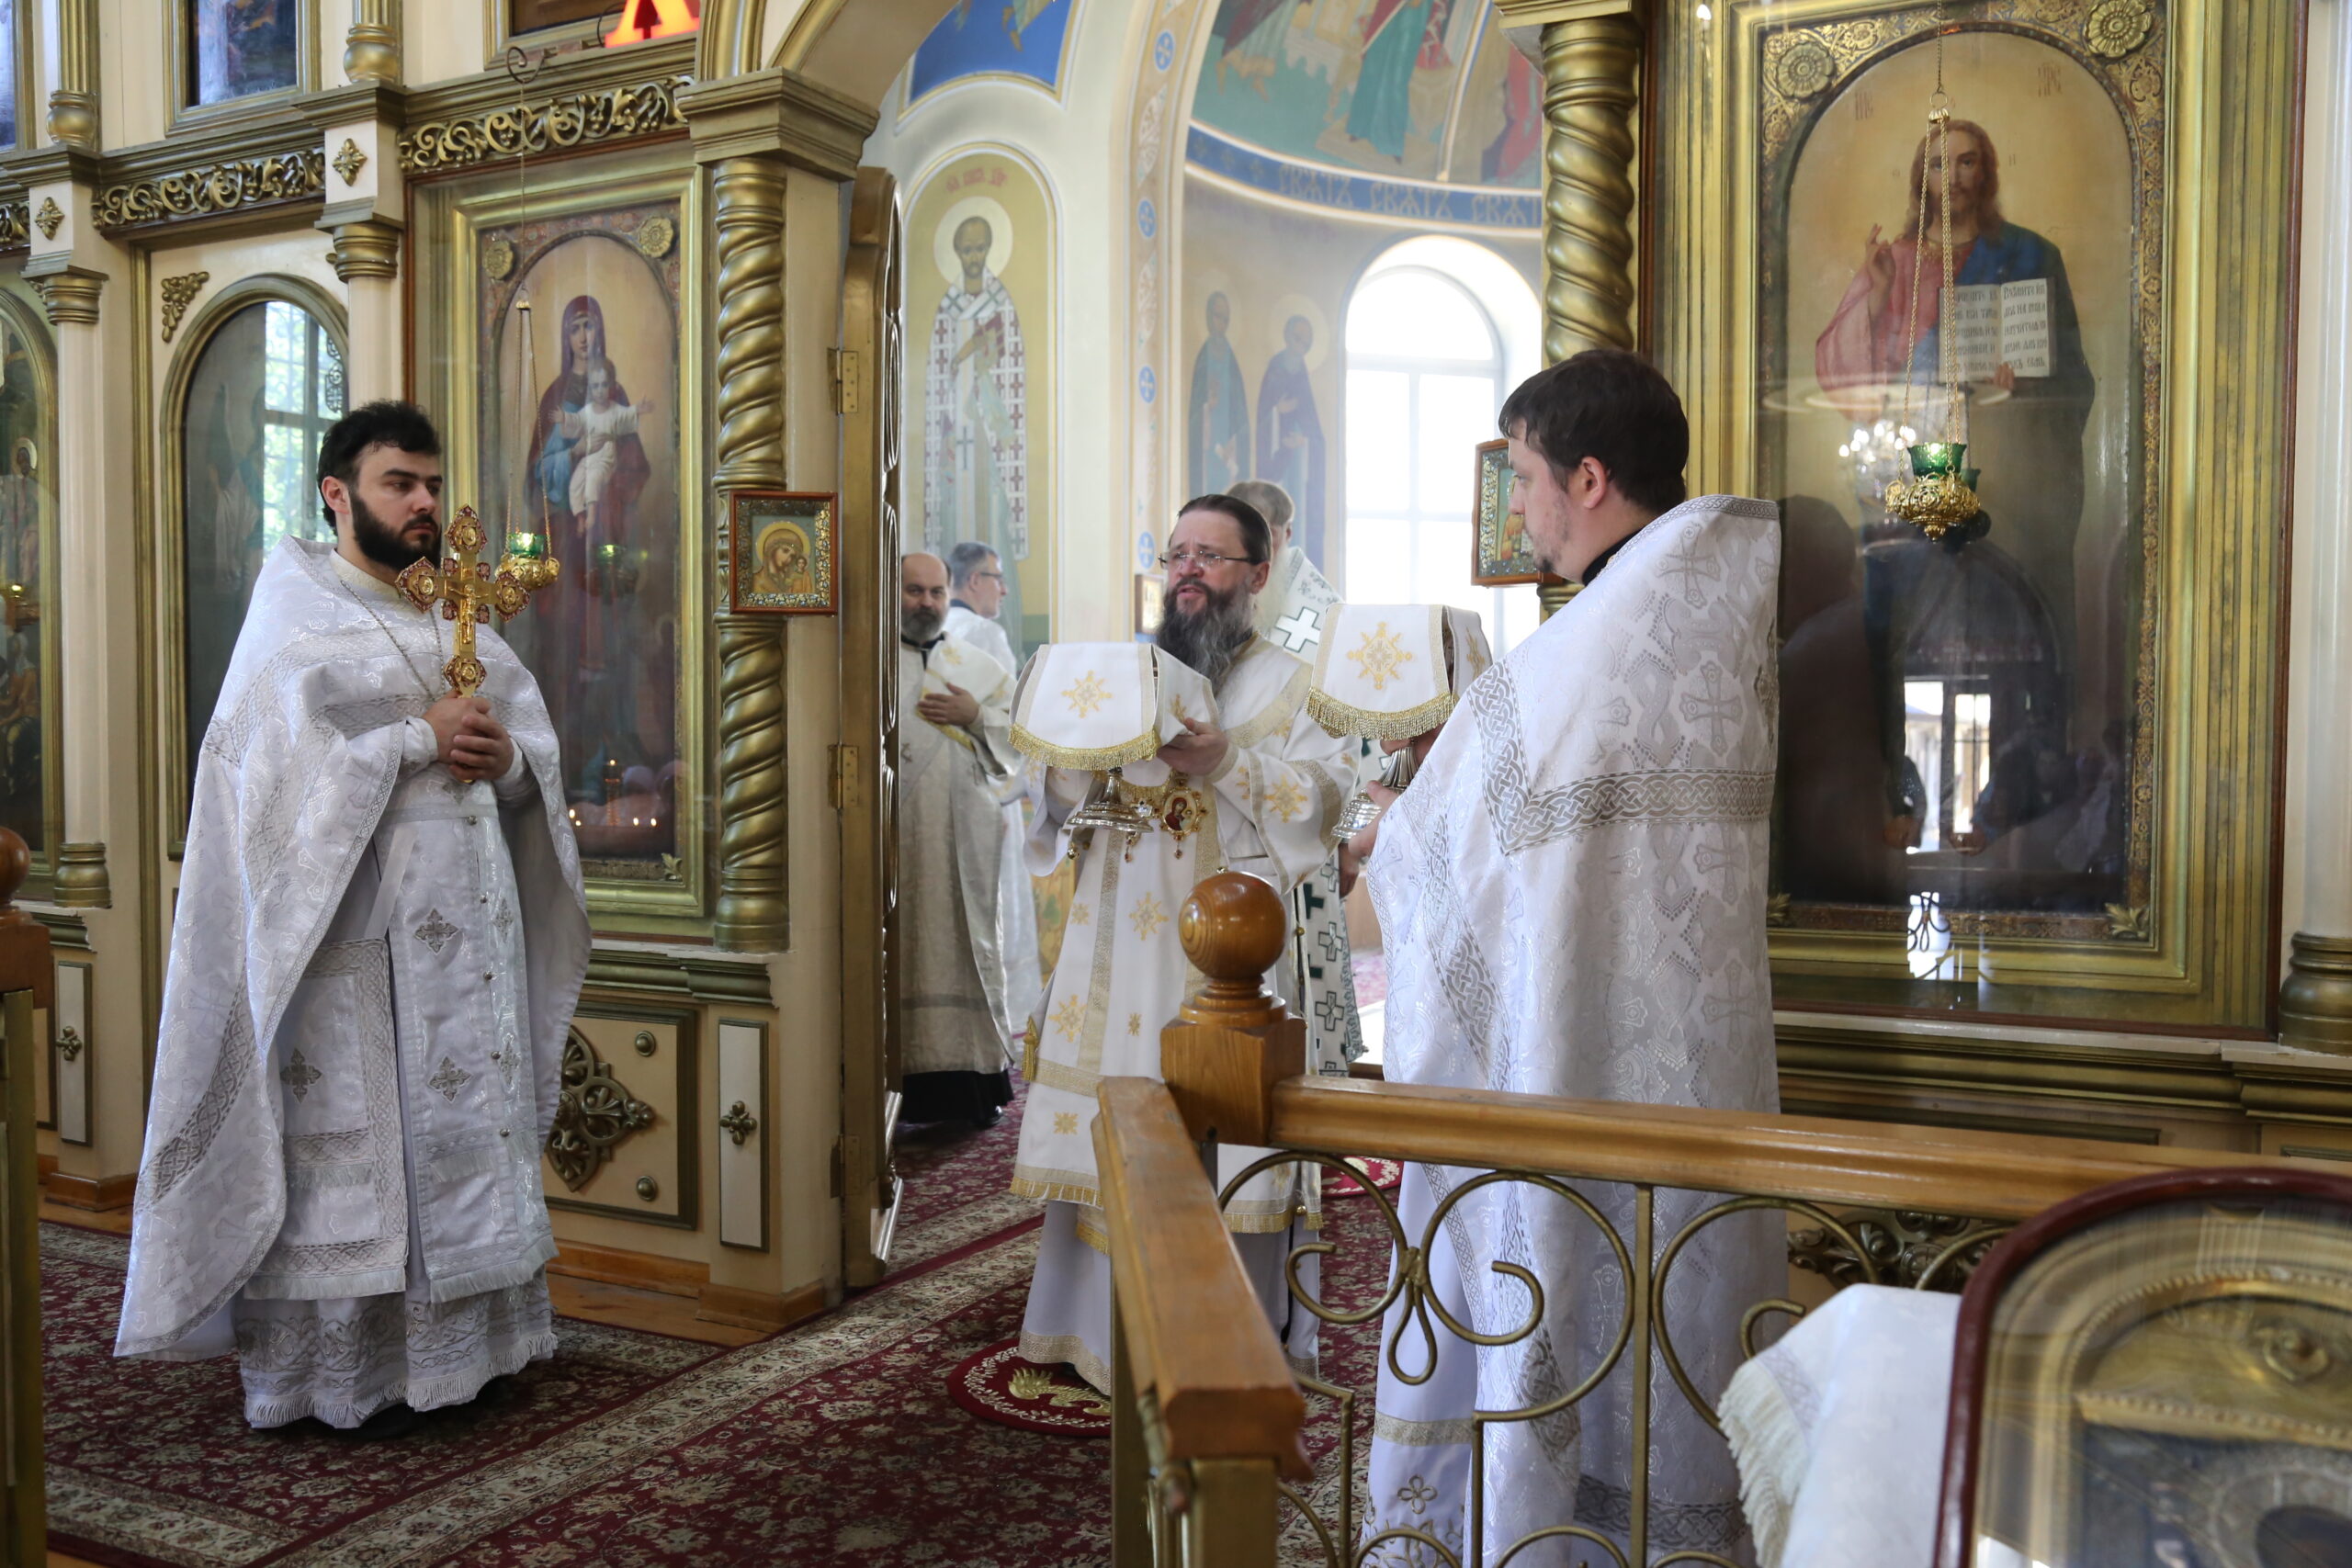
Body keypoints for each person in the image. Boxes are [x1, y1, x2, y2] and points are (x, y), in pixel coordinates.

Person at [1354, 349, 1781, 1562]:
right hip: (1691, 1065)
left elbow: (1442, 852)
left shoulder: (1599, 637)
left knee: (1555, 1275)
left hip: (1571, 1062)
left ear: (1588, 479)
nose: (1522, 509)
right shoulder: (1704, 606)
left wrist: (1393, 832)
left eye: (1526, 476)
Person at [115, 400, 592, 1438]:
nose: (424, 504)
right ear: (337, 493)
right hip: (349, 961)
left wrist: (511, 761)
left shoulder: (458, 618)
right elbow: (271, 799)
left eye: (432, 485)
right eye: (398, 483)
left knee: (459, 1138)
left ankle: (474, 1353)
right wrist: (415, 739)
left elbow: (529, 765)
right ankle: (348, 1374)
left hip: (468, 952)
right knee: (374, 1164)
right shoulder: (292, 626)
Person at [1011, 493, 1353, 1393]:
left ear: (1258, 573)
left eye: (1210, 555)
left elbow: (1325, 801)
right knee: (1116, 1116)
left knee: (1223, 1125)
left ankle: (1223, 1344)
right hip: (1116, 947)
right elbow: (1059, 806)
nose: (1187, 571)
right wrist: (1065, 759)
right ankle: (1094, 1331)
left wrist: (1224, 761)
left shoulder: (1295, 683)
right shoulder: (1129, 673)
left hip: (1230, 960)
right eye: (1176, 555)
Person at [1230, 478, 1358, 1074]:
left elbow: (1354, 738)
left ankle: (1319, 1071)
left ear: (1284, 534)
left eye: (1263, 533)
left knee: (1311, 955)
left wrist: (1349, 835)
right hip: (1241, 826)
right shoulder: (1227, 603)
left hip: (1309, 817)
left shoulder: (1325, 614)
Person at [897, 552, 1022, 1128]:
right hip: (896, 840)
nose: (927, 602)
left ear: (950, 596)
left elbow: (1019, 741)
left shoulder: (975, 666)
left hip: (964, 840)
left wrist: (976, 715)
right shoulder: (870, 663)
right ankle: (901, 1092)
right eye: (914, 590)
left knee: (966, 945)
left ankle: (971, 1087)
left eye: (936, 592)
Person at [942, 538, 1043, 1056]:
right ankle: (1003, 1029)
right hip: (988, 793)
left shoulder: (933, 632)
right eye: (997, 578)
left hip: (941, 798)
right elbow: (1016, 722)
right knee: (997, 911)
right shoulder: (984, 633)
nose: (1003, 590)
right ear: (973, 581)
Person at [925, 215, 1029, 643]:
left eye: (979, 249)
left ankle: (1015, 628)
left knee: (994, 518)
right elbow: (939, 373)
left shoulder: (1001, 304)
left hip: (986, 447)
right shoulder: (947, 309)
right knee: (954, 516)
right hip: (956, 443)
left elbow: (1008, 367)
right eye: (966, 250)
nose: (973, 258)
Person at [549, 359, 654, 540]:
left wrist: (638, 409)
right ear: (590, 388)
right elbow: (576, 421)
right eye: (595, 386)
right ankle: (580, 517)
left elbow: (627, 415)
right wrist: (564, 418)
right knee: (575, 484)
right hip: (589, 457)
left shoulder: (615, 410)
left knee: (593, 479)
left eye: (604, 385)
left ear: (611, 385)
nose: (600, 390)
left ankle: (591, 516)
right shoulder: (587, 411)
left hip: (605, 458)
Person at [1254, 315, 1328, 567]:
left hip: (1298, 460)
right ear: (1287, 336)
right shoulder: (1275, 367)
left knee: (1299, 511)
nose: (1300, 345)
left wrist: (1304, 439)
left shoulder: (1302, 373)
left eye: (1306, 342)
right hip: (1277, 459)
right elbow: (1264, 415)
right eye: (1297, 338)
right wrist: (1278, 412)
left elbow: (1312, 423)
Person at [1188, 292, 1252, 494]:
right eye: (1217, 316)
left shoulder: (1231, 360)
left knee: (1228, 488)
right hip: (1208, 438)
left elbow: (1239, 406)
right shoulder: (1203, 357)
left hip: (1228, 437)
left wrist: (1235, 438)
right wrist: (1208, 404)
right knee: (1210, 488)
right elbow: (1196, 406)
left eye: (1226, 319)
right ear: (1208, 317)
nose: (1221, 324)